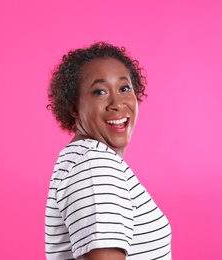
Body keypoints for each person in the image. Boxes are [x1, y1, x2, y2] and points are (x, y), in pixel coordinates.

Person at [45, 42, 172, 259]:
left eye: (124, 88)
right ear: (75, 107)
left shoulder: (83, 159)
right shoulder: (95, 166)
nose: (117, 103)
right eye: (99, 92)